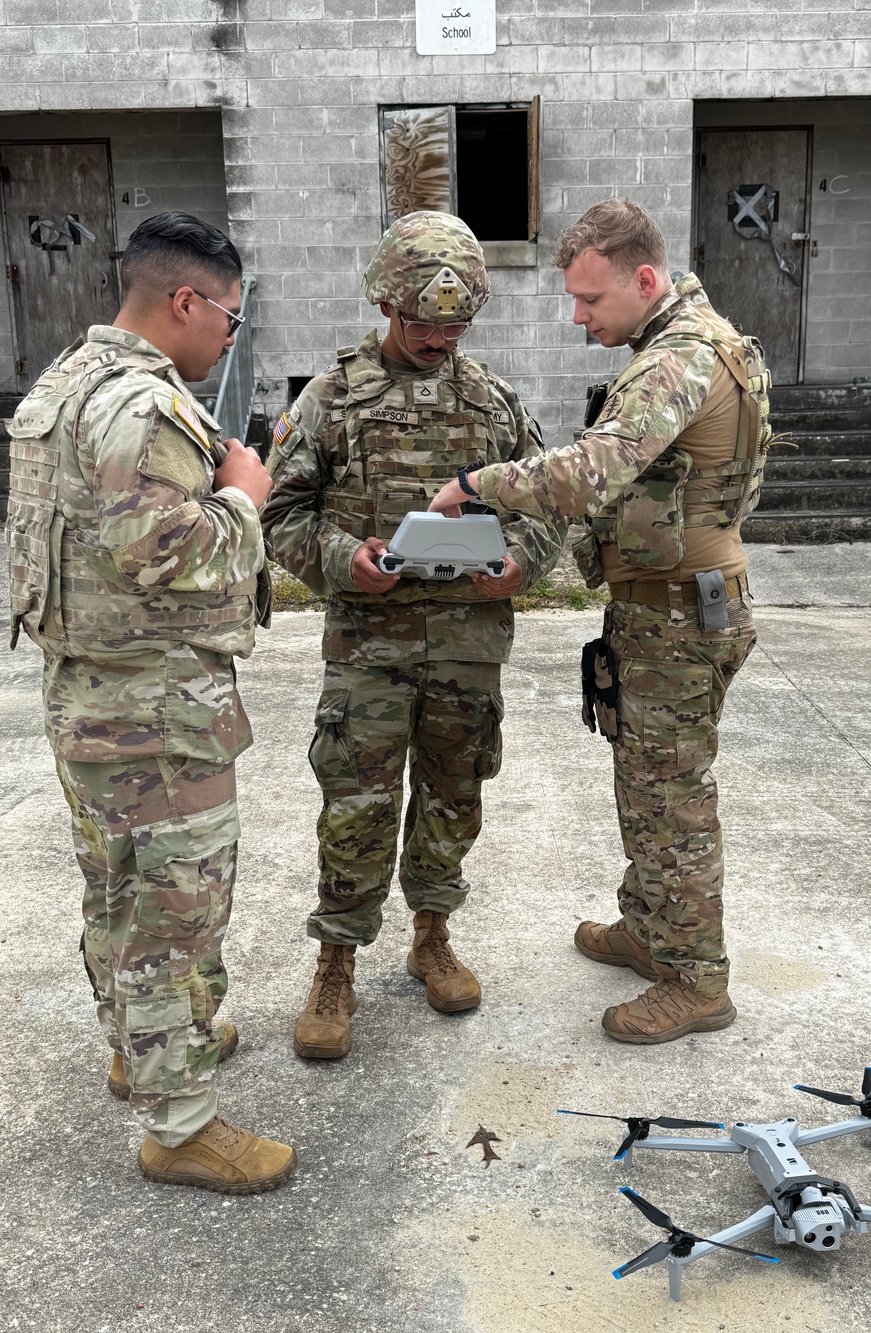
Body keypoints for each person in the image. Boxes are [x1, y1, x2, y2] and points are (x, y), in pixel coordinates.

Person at [430, 199, 773, 1045]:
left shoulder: (679, 361)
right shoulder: (694, 344)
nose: (579, 319)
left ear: (644, 279)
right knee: (646, 784)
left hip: (680, 617)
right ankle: (650, 926)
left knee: (674, 798)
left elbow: (591, 473)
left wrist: (479, 486)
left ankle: (697, 978)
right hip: (673, 608)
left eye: (590, 301)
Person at [5, 212, 296, 1190]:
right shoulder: (145, 406)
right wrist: (246, 492)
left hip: (84, 700)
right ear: (184, 301)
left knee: (118, 893)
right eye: (228, 316)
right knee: (177, 913)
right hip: (157, 715)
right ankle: (182, 1125)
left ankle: (139, 1048)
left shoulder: (60, 384)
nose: (228, 334)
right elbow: (167, 551)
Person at [262, 210, 564, 1059]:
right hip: (368, 646)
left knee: (453, 793)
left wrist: (522, 562)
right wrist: (336, 557)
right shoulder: (331, 399)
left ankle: (432, 934)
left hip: (468, 645)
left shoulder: (493, 402)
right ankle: (335, 962)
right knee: (355, 804)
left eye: (454, 323)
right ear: (386, 303)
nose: (438, 338)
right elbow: (279, 514)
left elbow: (549, 506)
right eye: (423, 320)